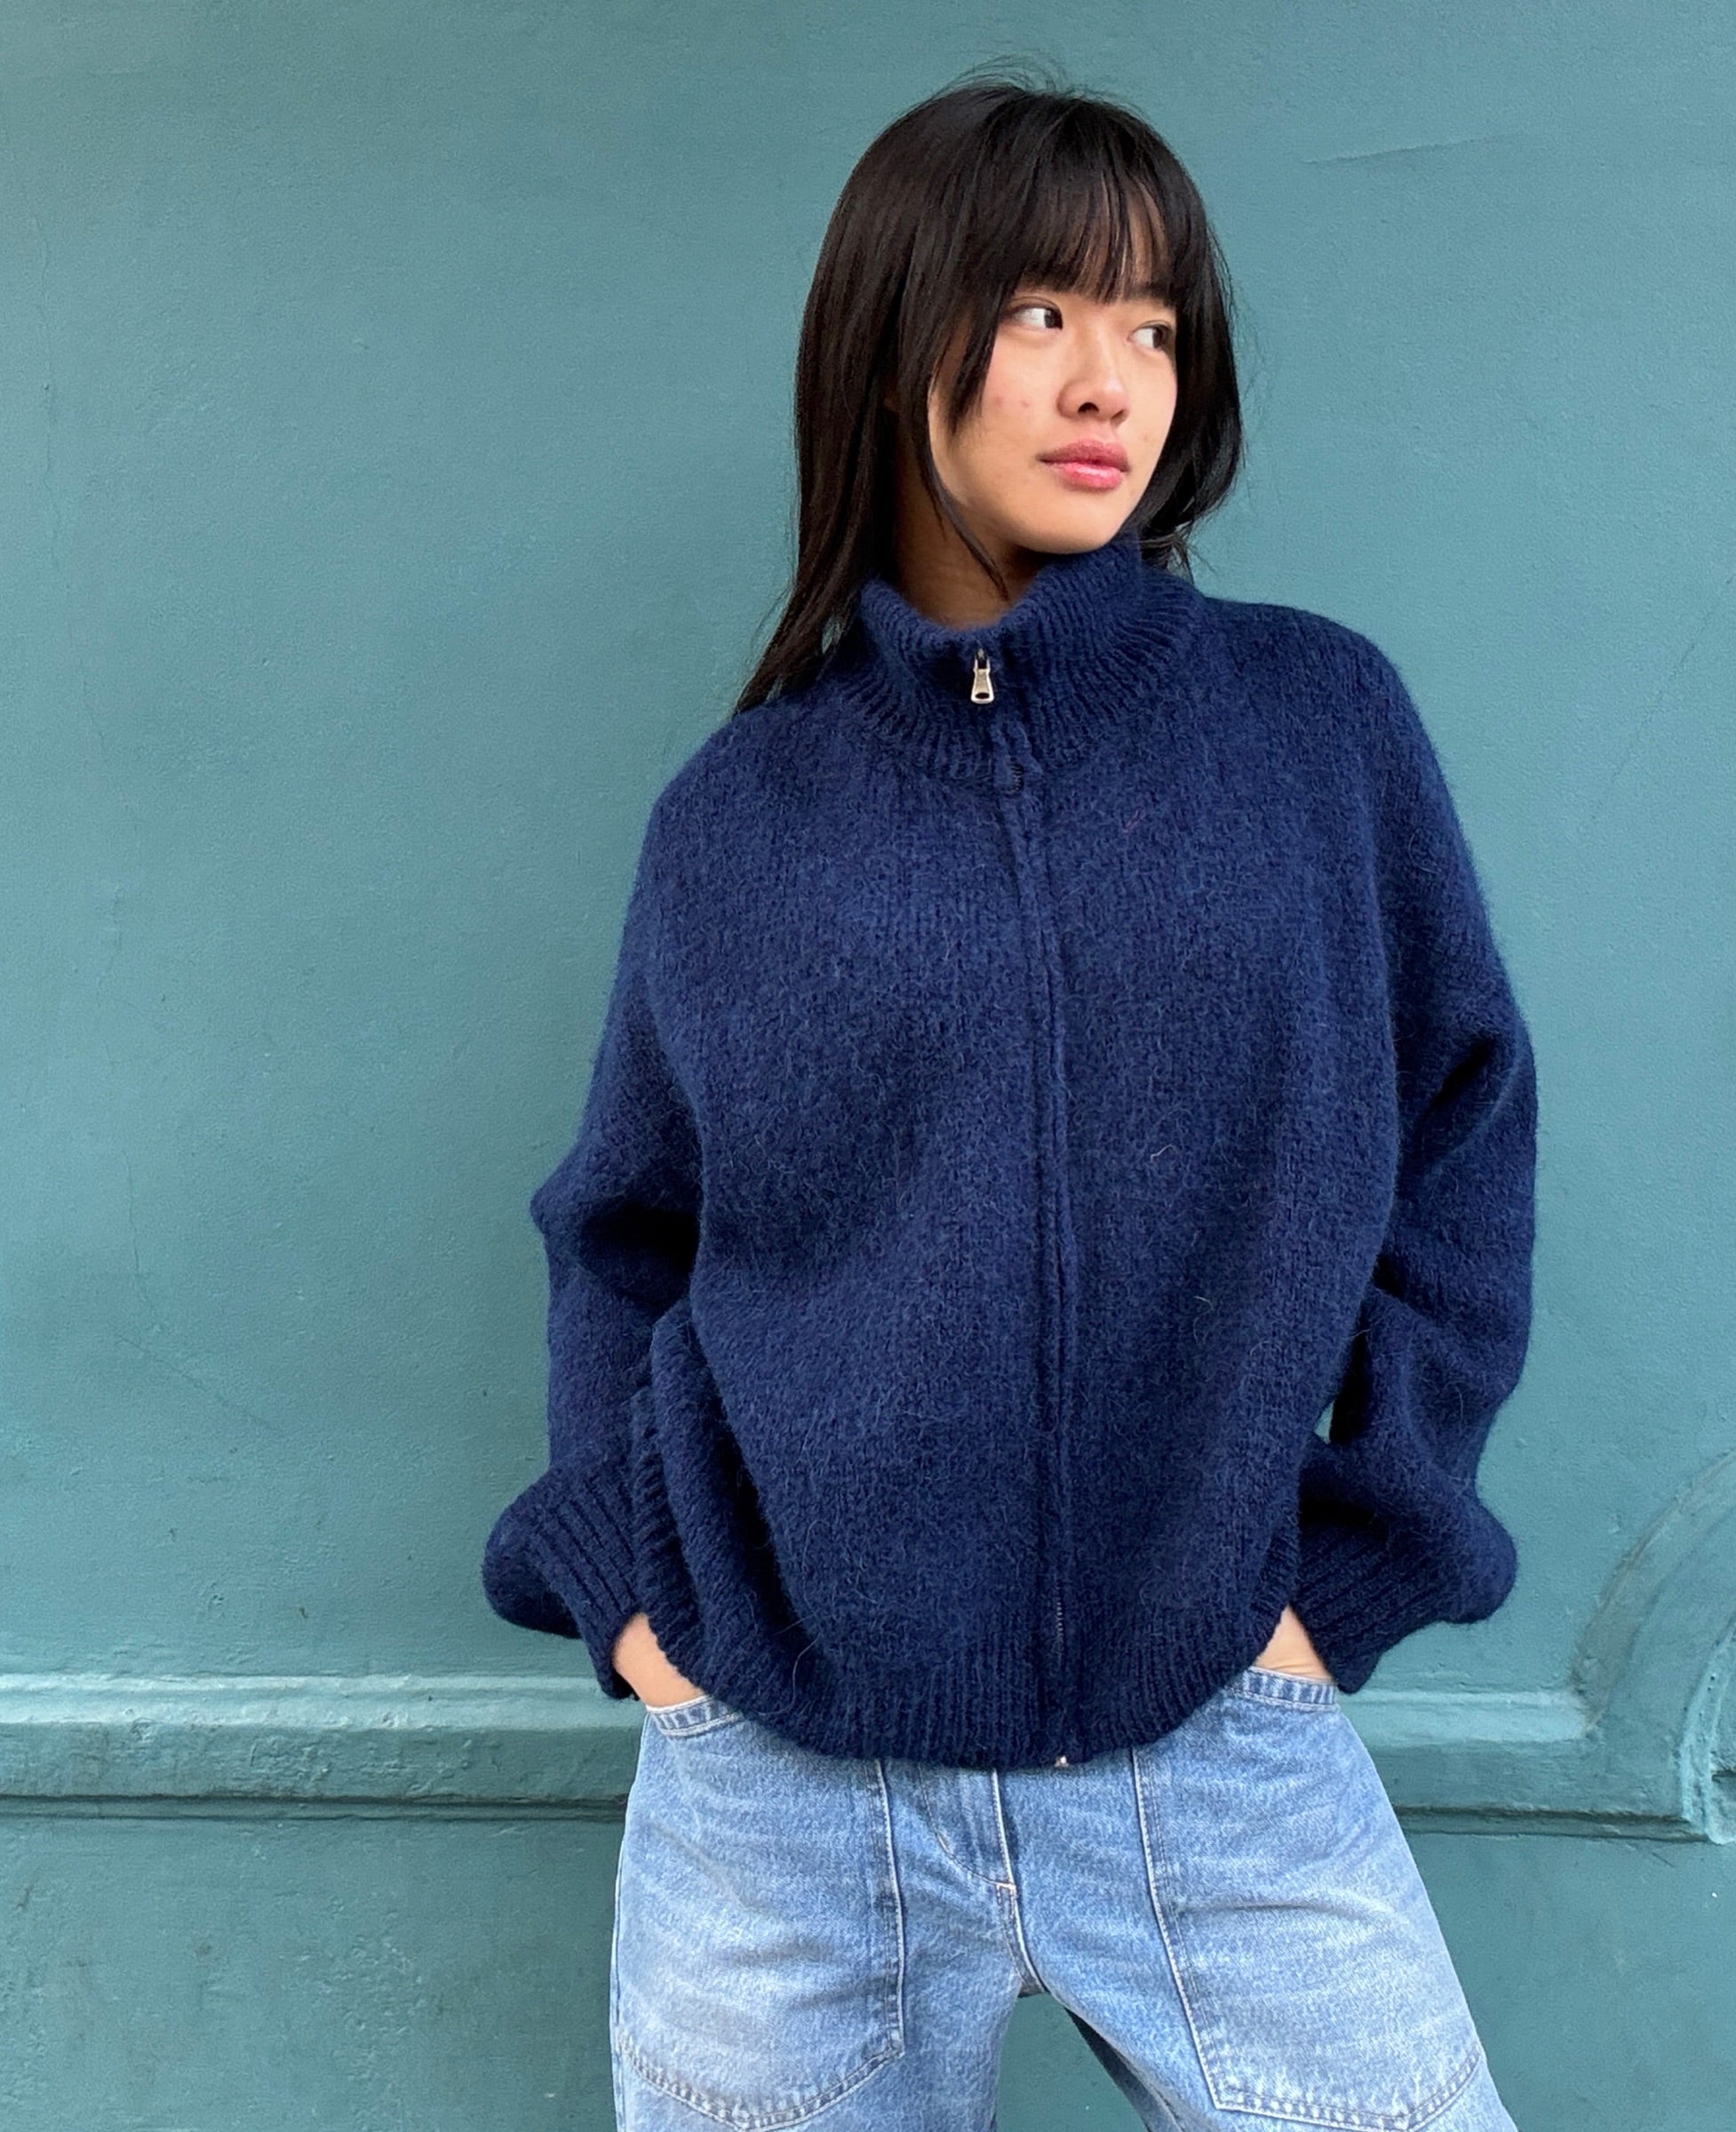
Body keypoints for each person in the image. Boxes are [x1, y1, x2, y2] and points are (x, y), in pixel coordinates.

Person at [481, 68, 1536, 2132]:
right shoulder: (740, 815)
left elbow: (1463, 1131)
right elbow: (623, 1229)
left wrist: (1367, 1553)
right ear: (901, 343)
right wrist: (636, 1611)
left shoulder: (1314, 729)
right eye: (1043, 309)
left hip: (1220, 1738)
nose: (1108, 379)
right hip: (782, 1789)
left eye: (1154, 325)